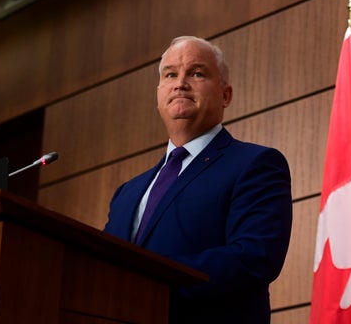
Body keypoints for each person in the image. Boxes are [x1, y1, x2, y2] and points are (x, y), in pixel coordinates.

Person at [104, 36, 292, 323]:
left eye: (196, 73)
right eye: (170, 74)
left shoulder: (255, 165)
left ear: (225, 95)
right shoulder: (126, 194)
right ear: (158, 95)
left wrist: (151, 279)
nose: (180, 83)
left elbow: (254, 258)